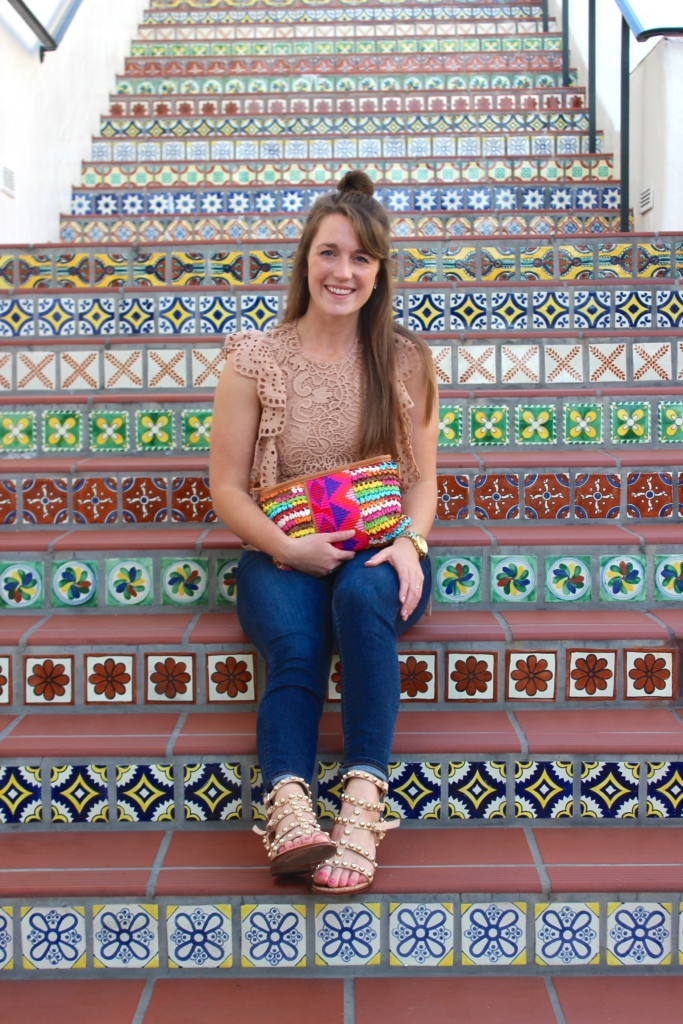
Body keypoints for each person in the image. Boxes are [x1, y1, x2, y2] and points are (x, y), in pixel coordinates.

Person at [209, 170, 438, 894]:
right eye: (330, 253)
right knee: (297, 647)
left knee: (362, 599)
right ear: (306, 258)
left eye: (360, 259)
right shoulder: (255, 360)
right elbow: (225, 489)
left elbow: (423, 482)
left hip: (378, 548)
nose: (343, 272)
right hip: (280, 550)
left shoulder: (405, 360)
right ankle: (289, 811)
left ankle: (362, 806)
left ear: (379, 270)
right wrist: (286, 548)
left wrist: (409, 543)